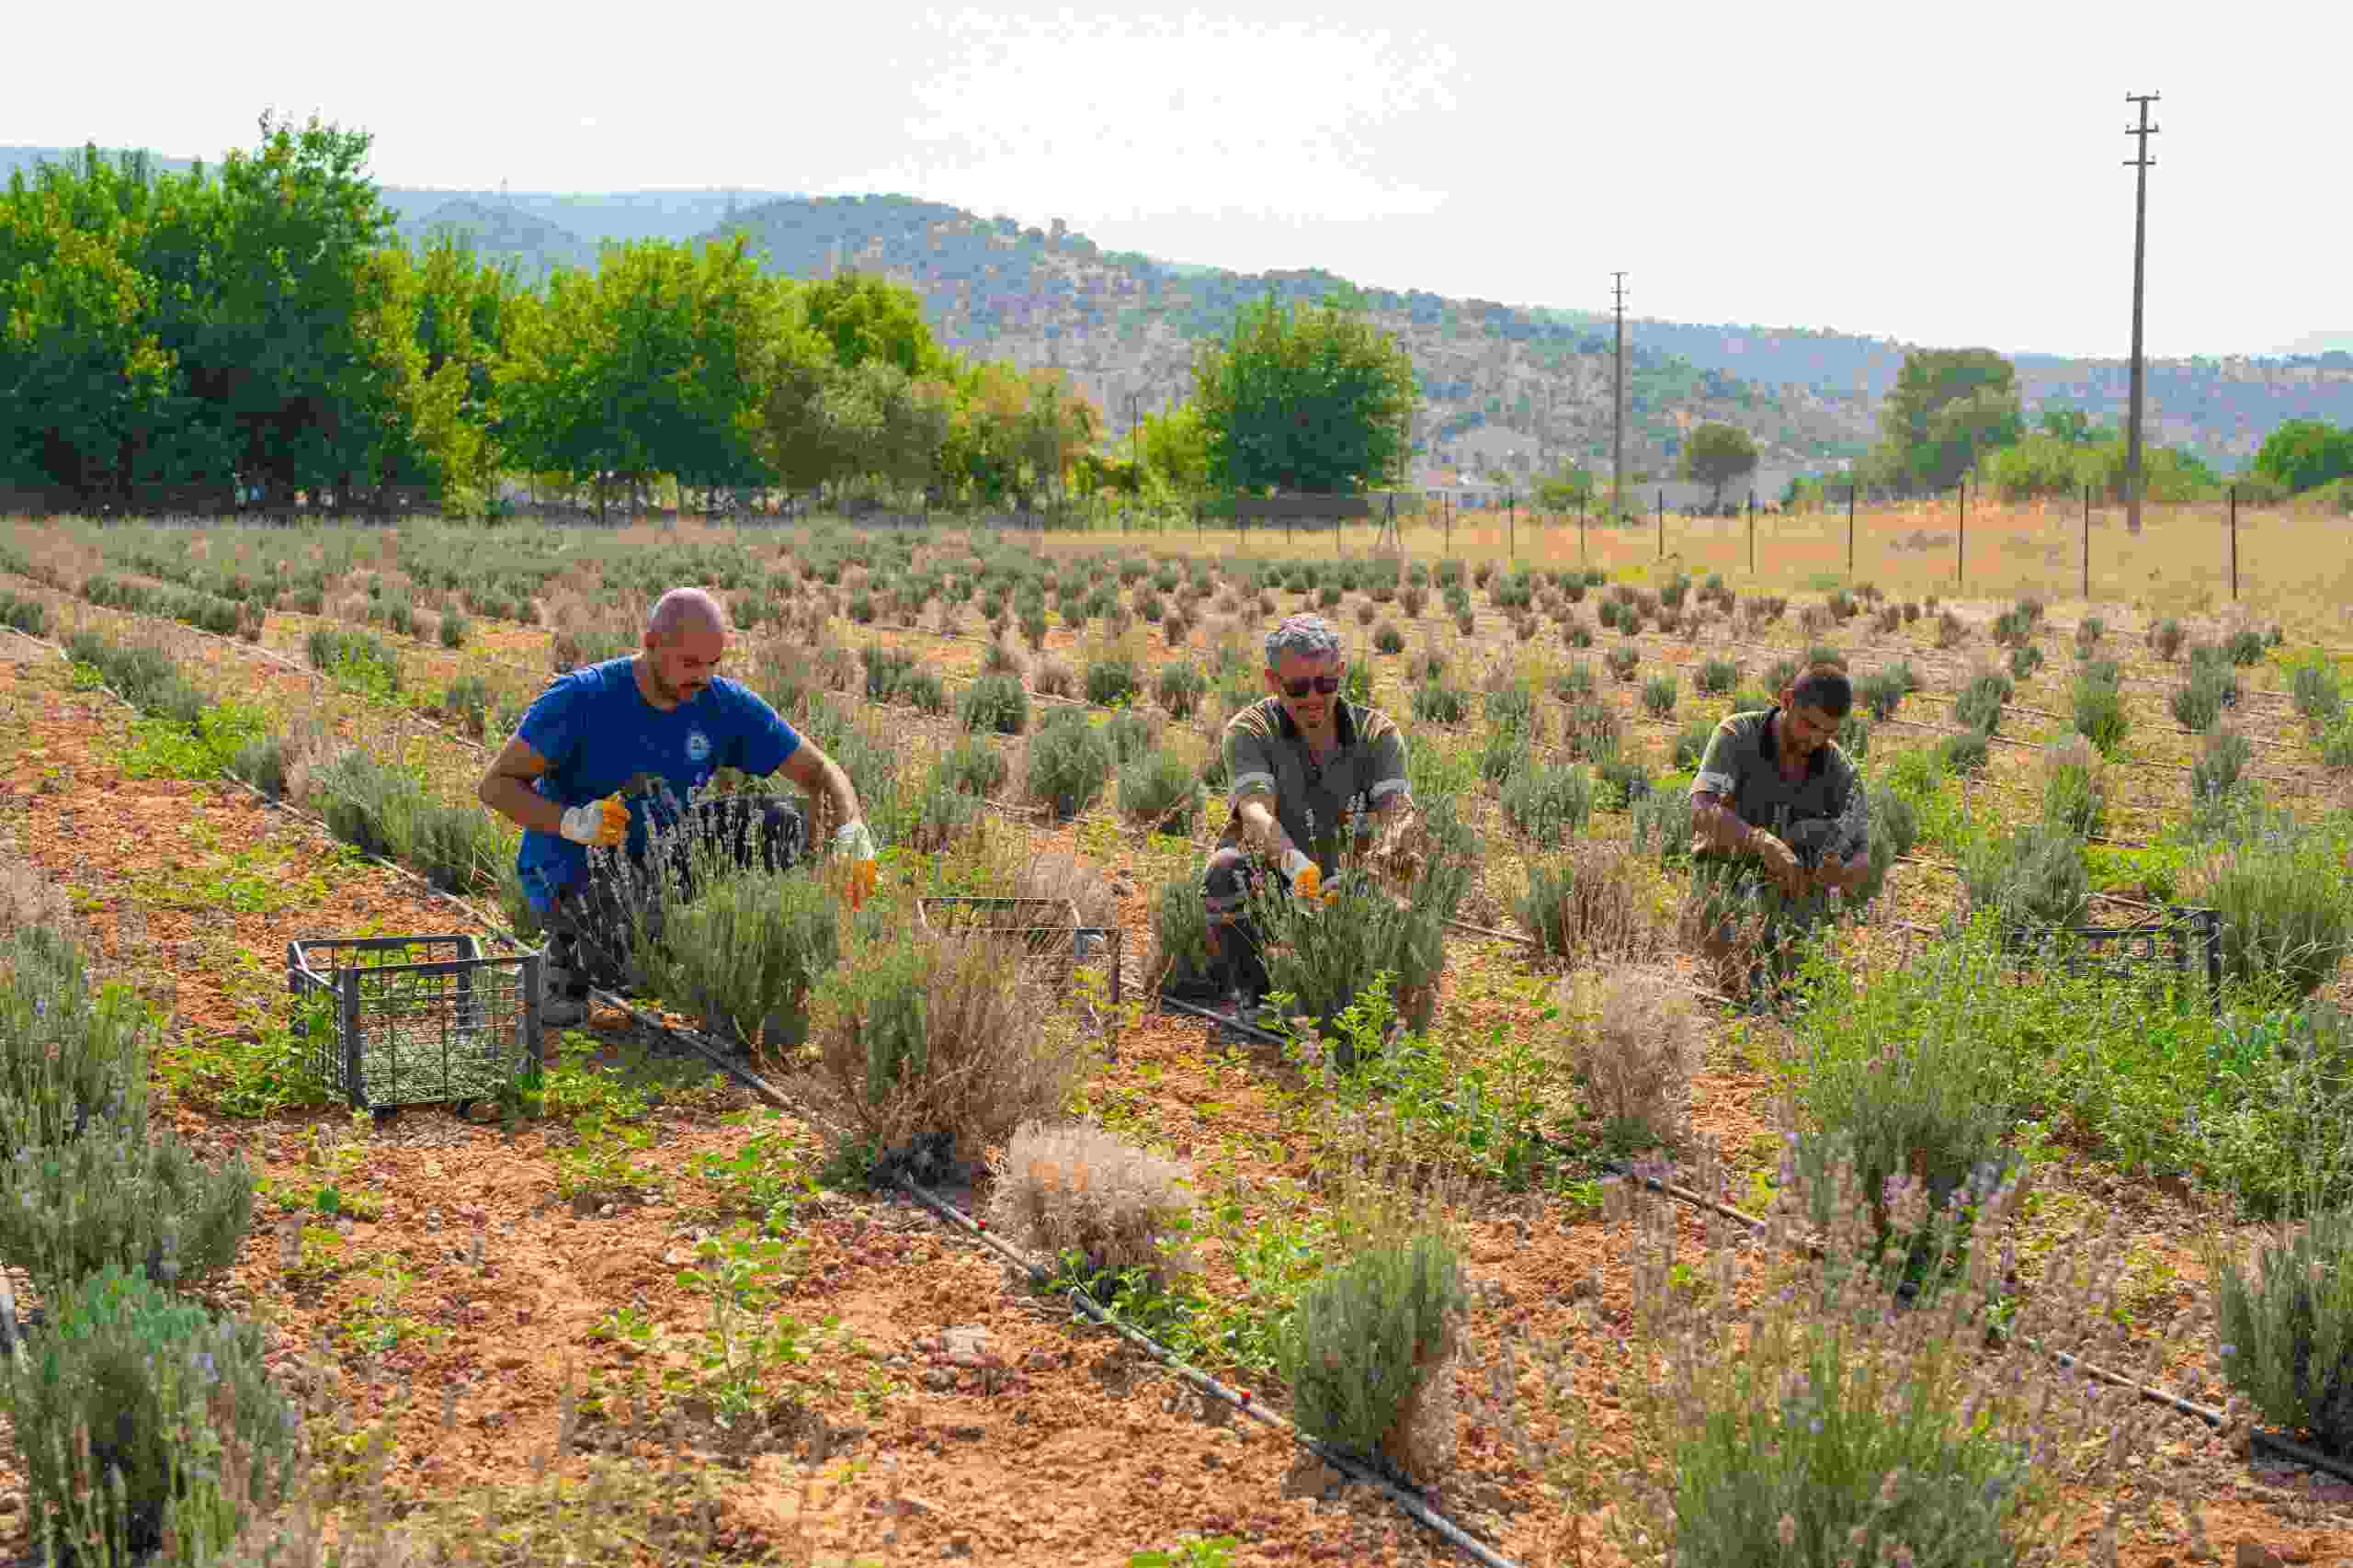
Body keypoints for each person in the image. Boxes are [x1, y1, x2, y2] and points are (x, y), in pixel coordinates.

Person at [477, 586, 878, 1029]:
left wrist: (852, 832)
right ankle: (564, 960)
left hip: (661, 856)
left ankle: (759, 960)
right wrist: (570, 822)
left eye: (713, 663)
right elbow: (496, 786)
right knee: (634, 950)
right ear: (650, 643)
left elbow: (820, 770)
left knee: (790, 824)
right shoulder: (581, 699)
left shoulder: (721, 703)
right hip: (578, 869)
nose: (703, 677)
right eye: (690, 663)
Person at [1202, 614, 1415, 1009]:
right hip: (1279, 883)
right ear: (1272, 681)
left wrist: (1367, 875)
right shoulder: (1250, 731)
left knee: (1401, 883)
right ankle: (1260, 998)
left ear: (1341, 673)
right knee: (1224, 871)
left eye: (1326, 683)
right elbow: (1255, 814)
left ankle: (1359, 997)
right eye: (1298, 687)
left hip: (1352, 888)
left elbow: (1398, 817)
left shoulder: (1378, 736)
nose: (1314, 697)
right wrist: (1296, 866)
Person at [1685, 661, 1873, 999]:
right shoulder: (1737, 736)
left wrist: (1841, 873)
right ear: (1787, 700)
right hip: (1727, 894)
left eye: (1828, 733)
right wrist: (1760, 842)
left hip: (1795, 909)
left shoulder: (1840, 770)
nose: (1816, 740)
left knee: (1796, 993)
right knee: (1738, 983)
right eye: (1809, 724)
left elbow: (1864, 857)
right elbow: (1701, 810)